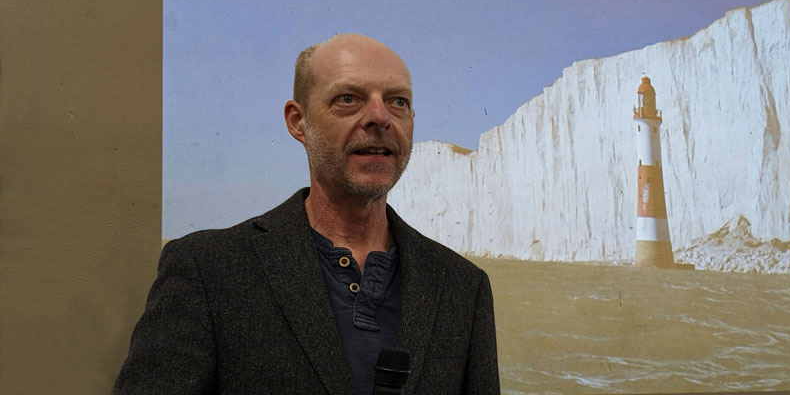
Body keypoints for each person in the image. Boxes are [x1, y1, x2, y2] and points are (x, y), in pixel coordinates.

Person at [113, 35, 500, 394]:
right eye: (349, 98)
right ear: (298, 121)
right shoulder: (208, 270)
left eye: (398, 101)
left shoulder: (463, 288)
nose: (381, 117)